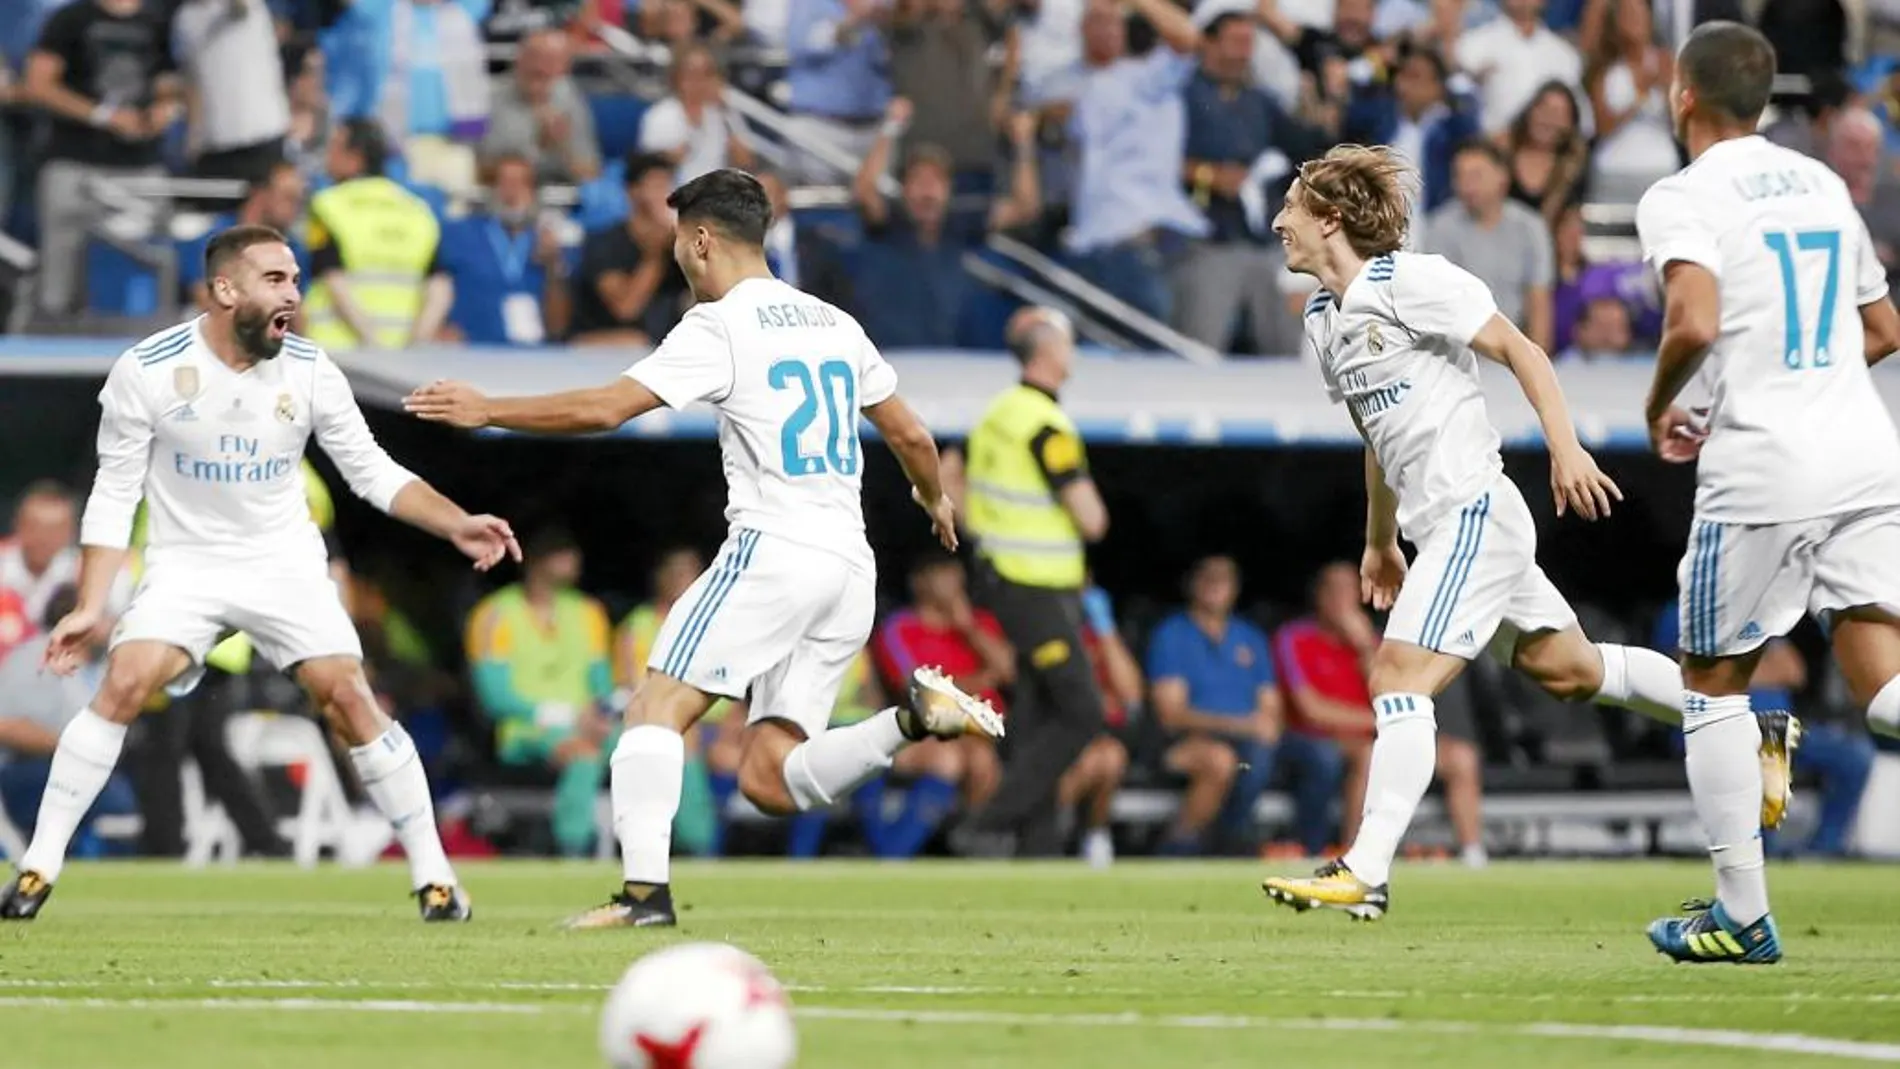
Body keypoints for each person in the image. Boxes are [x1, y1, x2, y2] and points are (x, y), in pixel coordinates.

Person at [403, 168, 1003, 929]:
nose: (680, 260)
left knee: (654, 705)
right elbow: (913, 434)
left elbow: (605, 407)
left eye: (680, 244)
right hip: (848, 566)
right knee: (769, 778)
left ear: (702, 239)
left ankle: (643, 895)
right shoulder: (833, 323)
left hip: (774, 549)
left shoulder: (720, 325)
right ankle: (912, 719)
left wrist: (488, 408)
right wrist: (931, 497)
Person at [1257, 144, 1773, 921]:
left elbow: (1521, 348)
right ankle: (1743, 720)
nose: (1276, 221)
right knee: (1572, 670)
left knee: (1397, 675)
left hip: (1476, 511)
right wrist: (1379, 539)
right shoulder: (1326, 321)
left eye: (1291, 207)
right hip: (1442, 531)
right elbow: (1378, 433)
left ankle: (1365, 869)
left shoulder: (1413, 281)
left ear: (1330, 217)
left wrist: (1566, 448)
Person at [0, 224, 521, 922]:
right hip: (187, 566)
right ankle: (37, 869)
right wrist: (93, 604)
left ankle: (434, 875)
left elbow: (371, 472)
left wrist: (455, 521)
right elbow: (114, 492)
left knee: (348, 696)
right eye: (277, 279)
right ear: (224, 289)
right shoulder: (148, 369)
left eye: (297, 280)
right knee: (125, 679)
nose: (295, 295)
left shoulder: (309, 369)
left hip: (283, 565)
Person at [1635, 22, 1900, 963]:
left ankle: (1741, 916)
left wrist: (1668, 402)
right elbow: (1883, 327)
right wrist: (1809, 371)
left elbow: (1693, 317)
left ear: (1682, 95)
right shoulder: (1823, 182)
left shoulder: (1682, 193)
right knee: (1885, 684)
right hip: (1866, 452)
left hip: (1765, 466)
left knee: (1711, 682)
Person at [953, 306, 1111, 857]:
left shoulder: (998, 414)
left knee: (1037, 713)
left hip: (1007, 580)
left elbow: (958, 482)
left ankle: (1036, 842)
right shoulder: (1045, 423)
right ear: (1048, 352)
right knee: (1082, 710)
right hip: (1038, 587)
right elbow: (1091, 518)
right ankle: (987, 822)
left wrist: (983, 532)